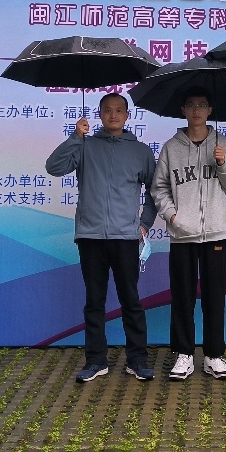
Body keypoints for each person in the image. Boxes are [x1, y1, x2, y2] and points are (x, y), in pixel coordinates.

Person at [45, 93, 157, 383]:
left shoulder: (141, 151)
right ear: (100, 114)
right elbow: (53, 167)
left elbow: (155, 191)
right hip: (90, 236)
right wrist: (75, 137)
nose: (113, 115)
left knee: (130, 299)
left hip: (126, 237)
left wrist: (144, 224)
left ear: (127, 116)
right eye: (107, 110)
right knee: (94, 301)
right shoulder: (85, 146)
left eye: (119, 110)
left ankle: (137, 360)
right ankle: (96, 360)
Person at [151, 87, 226, 380]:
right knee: (182, 295)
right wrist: (172, 216)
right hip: (183, 234)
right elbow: (159, 187)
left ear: (210, 110)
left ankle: (214, 355)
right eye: (191, 105)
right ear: (183, 110)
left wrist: (222, 164)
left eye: (202, 105)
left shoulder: (223, 144)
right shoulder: (171, 147)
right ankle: (184, 354)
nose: (196, 110)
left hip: (215, 233)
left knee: (214, 297)